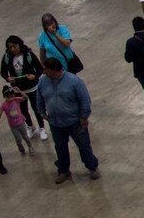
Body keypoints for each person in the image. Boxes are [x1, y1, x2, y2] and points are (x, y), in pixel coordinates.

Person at [35, 54, 98, 183]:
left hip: (75, 122)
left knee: (84, 146)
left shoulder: (74, 81)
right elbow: (39, 97)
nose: (44, 71)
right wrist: (42, 112)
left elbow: (85, 99)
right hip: (55, 123)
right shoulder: (43, 80)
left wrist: (84, 117)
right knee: (60, 148)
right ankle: (63, 170)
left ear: (54, 69)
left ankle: (92, 167)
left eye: (46, 69)